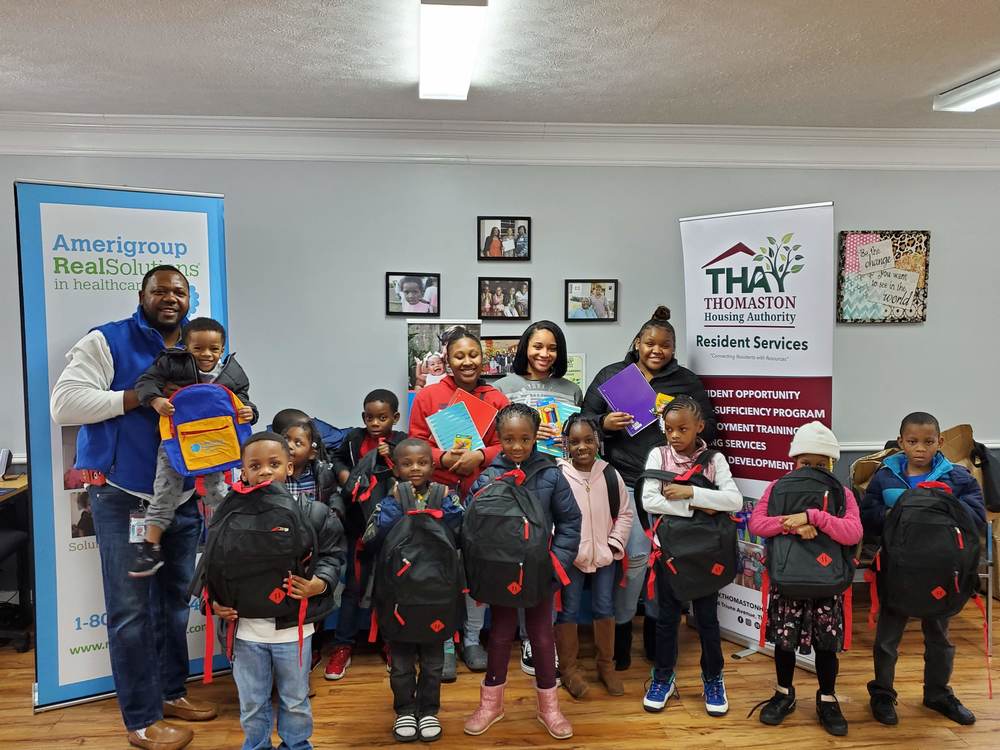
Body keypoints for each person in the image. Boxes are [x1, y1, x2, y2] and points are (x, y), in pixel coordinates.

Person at [50, 265, 217, 750]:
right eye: (160, 290)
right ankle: (141, 721)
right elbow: (64, 405)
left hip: (181, 496)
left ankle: (170, 692)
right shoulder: (106, 341)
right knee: (130, 613)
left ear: (190, 298)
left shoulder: (196, 344)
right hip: (126, 498)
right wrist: (136, 399)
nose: (171, 298)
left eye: (179, 292)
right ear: (141, 294)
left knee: (171, 607)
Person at [583, 305, 717, 671]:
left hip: (671, 483)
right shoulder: (613, 376)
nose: (656, 350)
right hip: (624, 482)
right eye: (649, 343)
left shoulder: (686, 382)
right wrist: (604, 422)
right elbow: (581, 423)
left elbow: (710, 428)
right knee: (635, 561)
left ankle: (660, 636)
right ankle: (622, 634)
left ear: (674, 349)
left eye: (665, 345)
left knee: (668, 563)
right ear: (637, 342)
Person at [210, 431, 345, 750]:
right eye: (255, 465)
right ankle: (256, 745)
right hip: (245, 632)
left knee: (295, 700)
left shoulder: (314, 513)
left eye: (274, 463)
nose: (265, 470)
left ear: (289, 466)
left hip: (293, 631)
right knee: (253, 702)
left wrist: (318, 584)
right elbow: (212, 566)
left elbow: (333, 555)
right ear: (243, 471)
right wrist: (215, 602)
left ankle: (297, 745)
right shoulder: (228, 513)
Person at [463, 404, 581, 740]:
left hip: (540, 572)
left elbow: (571, 521)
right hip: (500, 572)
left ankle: (549, 706)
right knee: (499, 635)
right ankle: (491, 703)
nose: (517, 446)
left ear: (535, 437)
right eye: (509, 439)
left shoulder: (551, 474)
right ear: (498, 439)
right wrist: (480, 569)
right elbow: (472, 526)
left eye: (525, 439)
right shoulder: (487, 476)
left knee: (542, 637)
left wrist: (556, 562)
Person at [861, 411, 986, 726]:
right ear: (901, 441)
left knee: (939, 637)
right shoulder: (885, 475)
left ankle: (938, 693)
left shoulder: (958, 477)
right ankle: (883, 694)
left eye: (928, 442)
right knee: (887, 638)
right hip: (896, 571)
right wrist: (895, 514)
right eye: (913, 441)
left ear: (940, 442)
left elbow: (975, 519)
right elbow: (869, 515)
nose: (920, 448)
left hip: (940, 572)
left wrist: (942, 506)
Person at [748, 421, 862, 736]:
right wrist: (791, 524)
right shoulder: (777, 487)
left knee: (827, 645)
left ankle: (827, 697)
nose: (812, 468)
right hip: (789, 579)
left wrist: (815, 517)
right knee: (784, 643)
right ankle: (784, 692)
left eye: (820, 463)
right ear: (794, 461)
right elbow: (757, 524)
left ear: (832, 463)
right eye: (805, 462)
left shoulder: (841, 492)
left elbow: (853, 532)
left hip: (828, 582)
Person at [408, 327, 509, 673]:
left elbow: (508, 446)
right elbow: (416, 446)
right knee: (443, 568)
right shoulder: (428, 397)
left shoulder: (496, 398)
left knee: (476, 566)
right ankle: (445, 642)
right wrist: (444, 459)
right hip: (440, 493)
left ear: (483, 358)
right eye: (459, 356)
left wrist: (480, 456)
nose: (467, 361)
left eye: (473, 354)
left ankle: (471, 638)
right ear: (447, 361)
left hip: (484, 493)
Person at [128, 316, 257, 577]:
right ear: (186, 347)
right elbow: (145, 383)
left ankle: (235, 540)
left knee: (216, 490)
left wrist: (249, 412)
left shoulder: (232, 371)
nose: (206, 354)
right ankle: (149, 547)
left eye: (213, 348)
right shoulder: (171, 363)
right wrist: (155, 400)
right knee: (165, 490)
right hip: (177, 440)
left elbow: (243, 400)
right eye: (198, 348)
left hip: (215, 442)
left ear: (222, 348)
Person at [640, 395, 741, 716]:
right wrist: (701, 505)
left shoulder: (714, 460)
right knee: (667, 620)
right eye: (668, 429)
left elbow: (734, 501)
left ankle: (713, 678)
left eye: (682, 429)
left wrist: (690, 492)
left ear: (699, 426)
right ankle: (663, 676)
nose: (674, 436)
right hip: (669, 553)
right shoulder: (658, 455)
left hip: (704, 554)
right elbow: (649, 500)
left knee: (708, 621)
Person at [495, 320, 583, 675]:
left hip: (559, 478)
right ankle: (525, 635)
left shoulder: (571, 389)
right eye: (537, 347)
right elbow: (497, 435)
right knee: (520, 555)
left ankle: (541, 634)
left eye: (552, 348)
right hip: (519, 482)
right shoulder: (503, 387)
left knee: (546, 554)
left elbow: (580, 437)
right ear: (524, 349)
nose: (544, 354)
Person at [363, 438, 464, 742]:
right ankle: (405, 709)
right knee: (402, 663)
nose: (415, 469)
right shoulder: (388, 499)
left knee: (434, 663)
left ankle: (429, 710)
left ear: (434, 466)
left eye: (422, 463)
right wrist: (395, 507)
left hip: (437, 596)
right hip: (398, 597)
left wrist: (444, 508)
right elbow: (371, 539)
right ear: (396, 467)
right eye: (407, 464)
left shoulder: (446, 496)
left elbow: (462, 532)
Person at [325, 389, 407, 682]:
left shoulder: (402, 442)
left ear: (394, 418)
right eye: (370, 417)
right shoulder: (353, 439)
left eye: (382, 418)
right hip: (359, 527)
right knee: (353, 589)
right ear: (363, 417)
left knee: (389, 589)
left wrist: (393, 460)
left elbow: (412, 474)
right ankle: (343, 645)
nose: (375, 423)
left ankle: (390, 642)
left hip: (392, 530)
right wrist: (344, 474)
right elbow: (335, 458)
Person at [555, 415, 633, 698]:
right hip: (571, 559)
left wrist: (614, 544)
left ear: (598, 441)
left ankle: (606, 666)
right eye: (574, 442)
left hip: (604, 557)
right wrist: (565, 550)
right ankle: (569, 670)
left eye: (589, 440)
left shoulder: (611, 474)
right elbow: (551, 515)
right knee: (569, 609)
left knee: (604, 607)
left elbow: (625, 513)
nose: (582, 447)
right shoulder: (558, 474)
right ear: (565, 444)